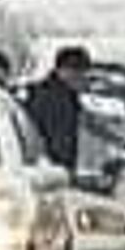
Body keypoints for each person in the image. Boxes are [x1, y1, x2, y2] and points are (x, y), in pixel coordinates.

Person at [26, 44, 88, 173]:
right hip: (50, 173)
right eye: (79, 73)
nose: (84, 79)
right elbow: (58, 142)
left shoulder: (65, 95)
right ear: (64, 71)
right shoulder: (53, 99)